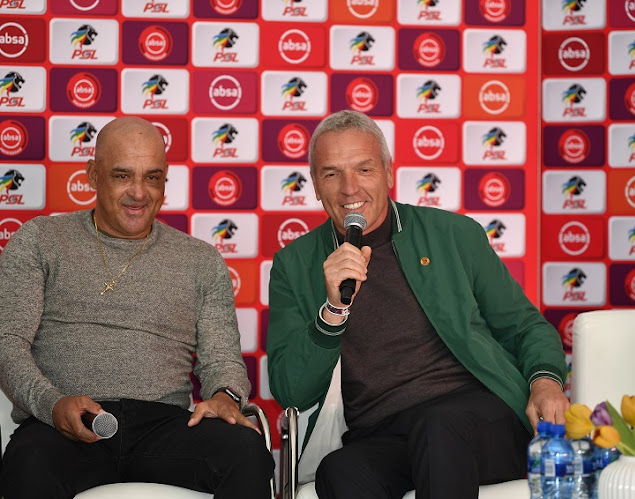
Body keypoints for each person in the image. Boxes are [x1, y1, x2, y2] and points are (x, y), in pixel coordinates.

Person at [267, 110, 570, 499]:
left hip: (478, 420)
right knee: (339, 471)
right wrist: (332, 311)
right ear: (314, 185)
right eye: (331, 174)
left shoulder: (454, 235)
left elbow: (525, 326)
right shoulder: (294, 264)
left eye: (364, 169)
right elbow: (290, 391)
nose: (349, 189)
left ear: (389, 173)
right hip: (386, 434)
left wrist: (545, 381)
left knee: (439, 426)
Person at [0, 117, 274, 498]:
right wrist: (51, 404)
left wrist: (225, 396)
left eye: (152, 177)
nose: (139, 192)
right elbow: (7, 344)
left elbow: (221, 361)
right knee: (27, 462)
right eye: (121, 176)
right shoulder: (40, 241)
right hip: (66, 424)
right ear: (93, 175)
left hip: (166, 425)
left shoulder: (200, 260)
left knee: (248, 453)